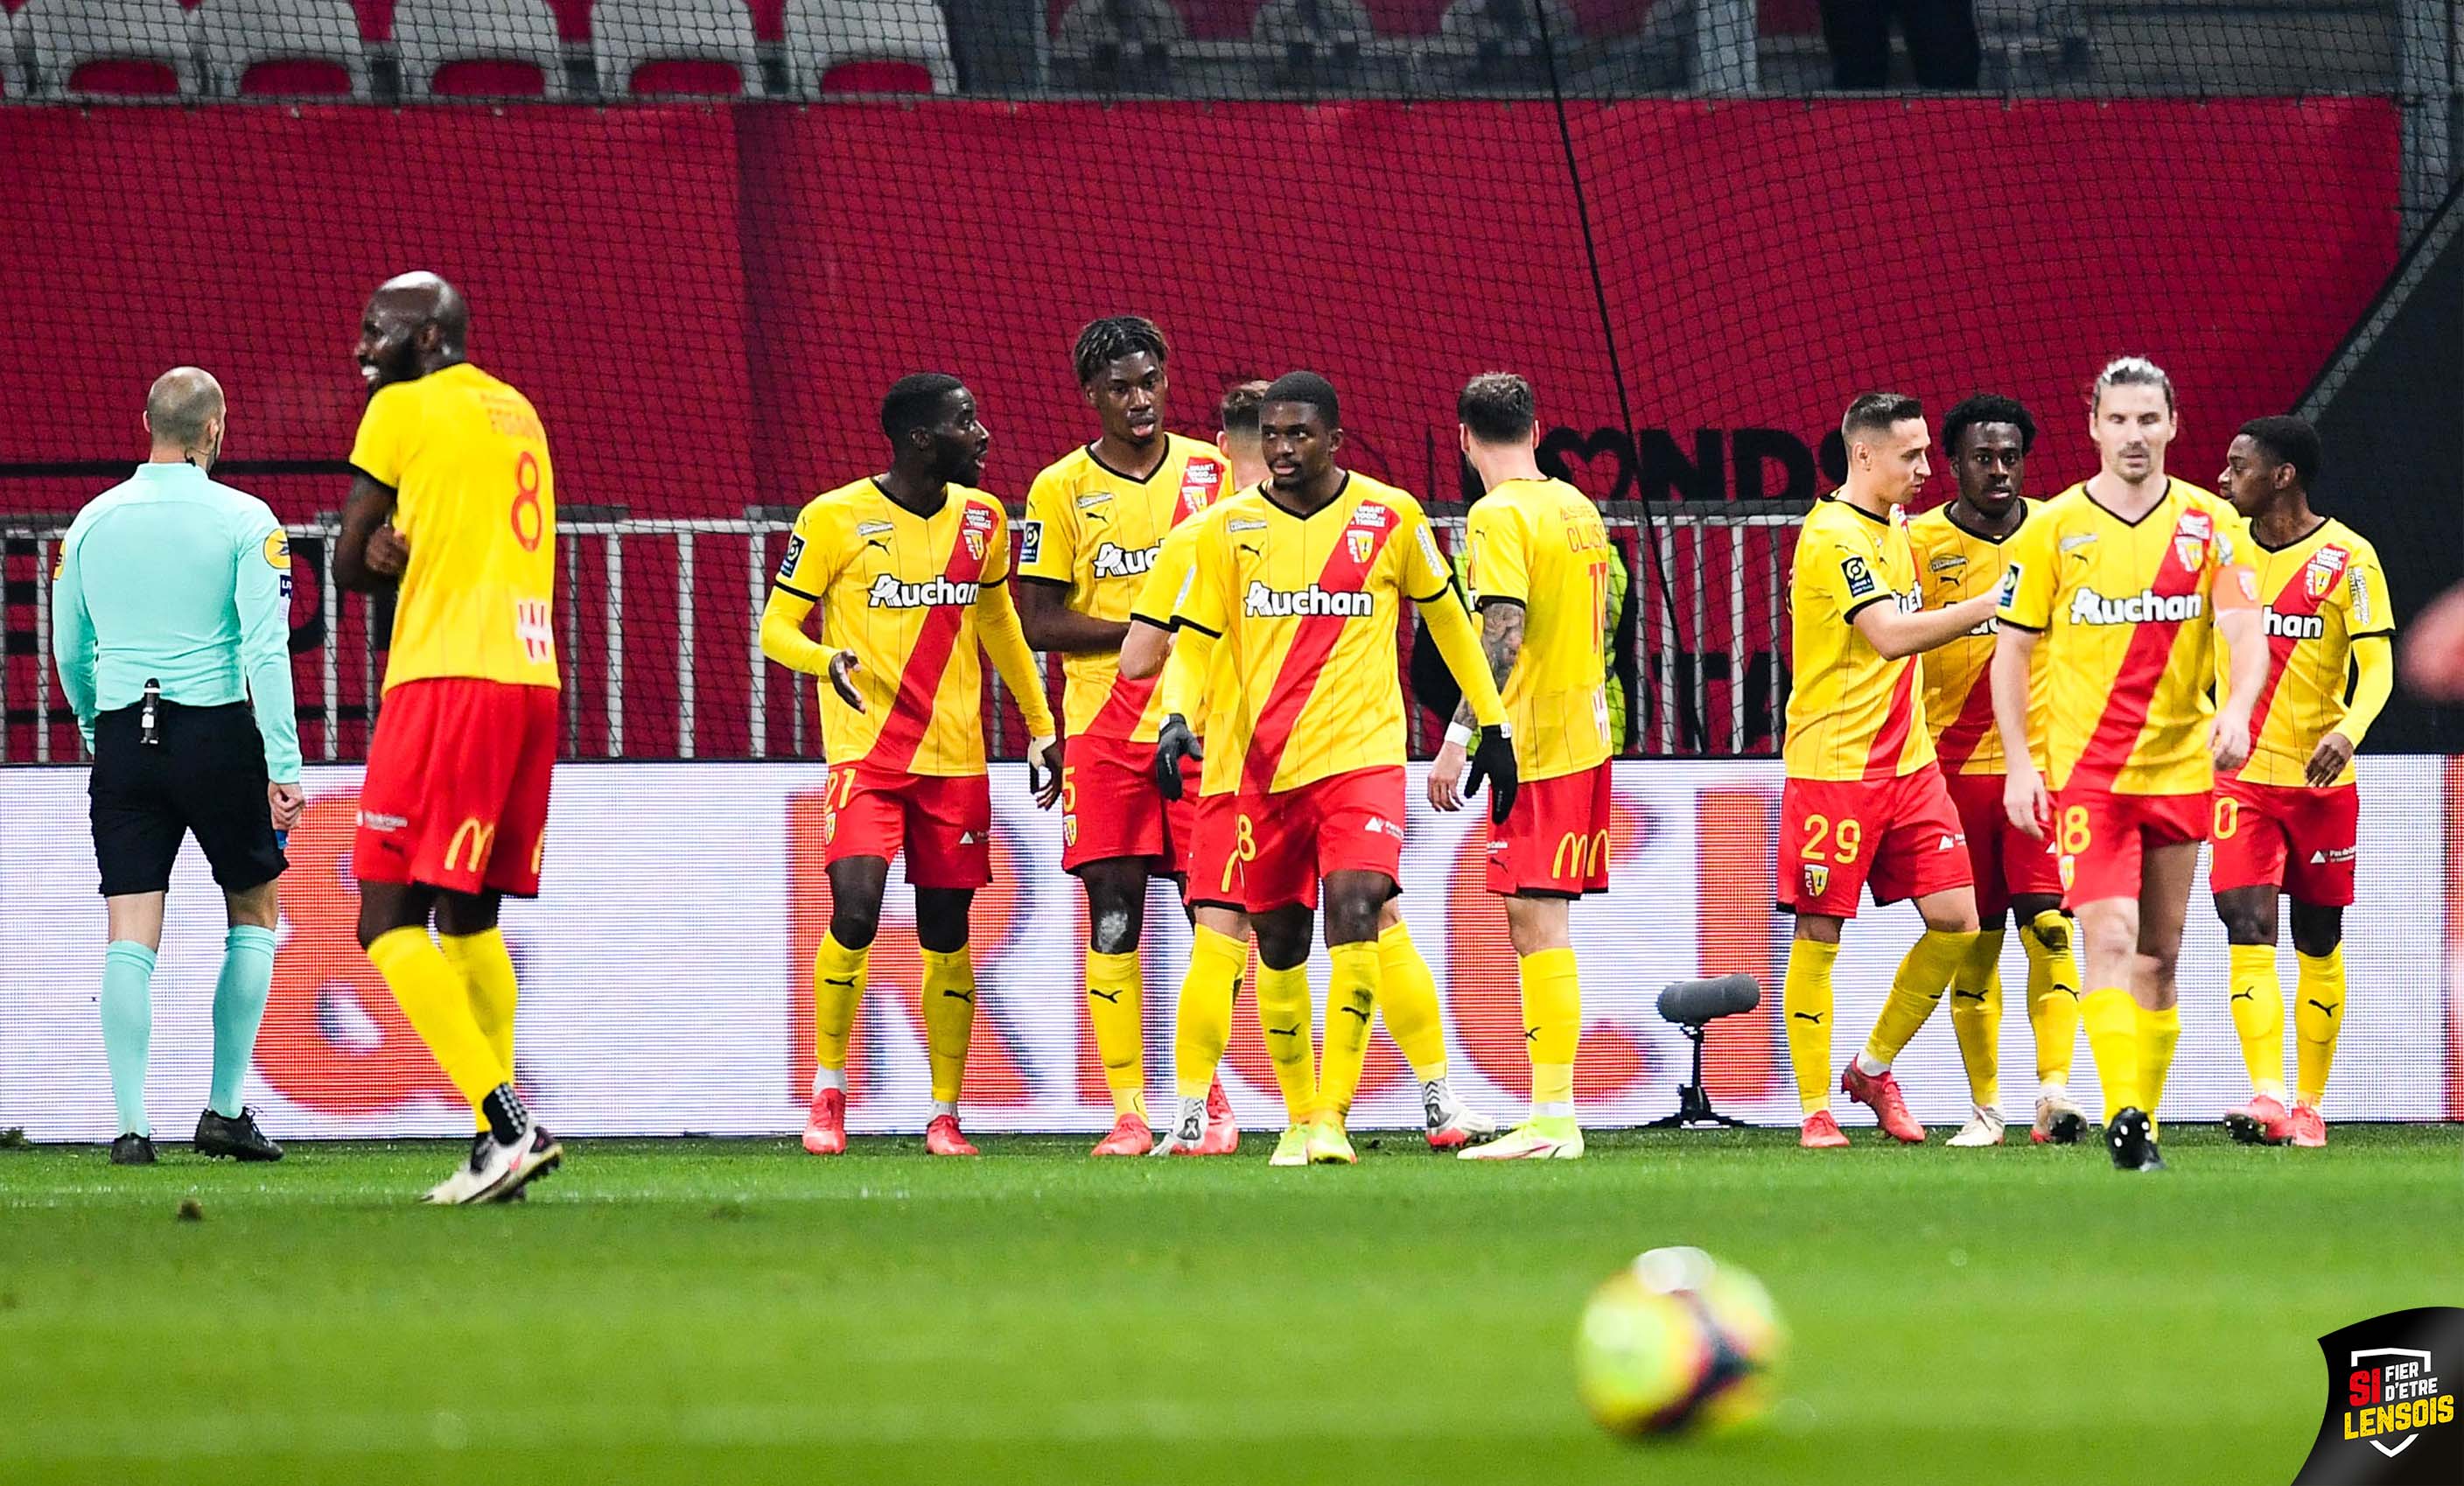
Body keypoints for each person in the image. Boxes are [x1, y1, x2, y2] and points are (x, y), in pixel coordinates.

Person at [1125, 382, 1498, 1160]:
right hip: (1247, 767)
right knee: (1269, 940)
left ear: (1336, 438)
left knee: (1361, 907)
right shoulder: (1218, 532)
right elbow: (1178, 643)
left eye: (1297, 435)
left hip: (1359, 759)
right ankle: (1276, 1115)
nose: (1282, 449)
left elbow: (1453, 622)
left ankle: (1335, 1113)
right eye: (1271, 435)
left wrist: (1486, 721)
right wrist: (1174, 715)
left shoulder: (1390, 516)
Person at [763, 374, 1063, 1159]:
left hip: (955, 762)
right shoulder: (833, 518)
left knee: (946, 934)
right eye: (968, 421)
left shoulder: (984, 519)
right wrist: (824, 658)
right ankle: (829, 1091)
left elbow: (999, 622)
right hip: (868, 757)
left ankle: (944, 1111)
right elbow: (774, 628)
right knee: (856, 913)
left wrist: (1040, 726)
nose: (985, 433)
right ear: (922, 439)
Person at [1992, 357, 2267, 1173]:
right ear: (2094, 428)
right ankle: (2126, 1123)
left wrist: (2238, 708)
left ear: (2174, 425)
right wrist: (2019, 763)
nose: (2134, 435)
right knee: (2105, 937)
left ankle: (2139, 1107)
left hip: (2182, 769)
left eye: (2149, 420)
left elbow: (2247, 634)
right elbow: (2011, 652)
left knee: (2162, 954)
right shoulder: (2053, 528)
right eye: (2119, 420)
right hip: (2089, 774)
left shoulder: (2213, 522)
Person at [334, 271, 564, 1204]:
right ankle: (492, 1146)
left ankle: (509, 1125)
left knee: (384, 918)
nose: (361, 350)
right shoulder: (519, 410)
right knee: (469, 919)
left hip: (445, 680)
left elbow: (350, 561)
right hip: (530, 679)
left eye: (374, 330)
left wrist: (373, 555)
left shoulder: (402, 405)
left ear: (426, 337)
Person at [52, 368, 299, 1167]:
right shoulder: (246, 519)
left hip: (128, 738)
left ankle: (131, 1129)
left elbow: (67, 648)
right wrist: (284, 762)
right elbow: (266, 648)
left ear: (146, 423)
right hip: (219, 737)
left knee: (129, 932)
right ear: (216, 429)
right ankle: (225, 1111)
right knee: (254, 910)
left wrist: (99, 723)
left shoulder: (90, 523)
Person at [1017, 319, 1236, 1156]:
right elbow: (1038, 620)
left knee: (1207, 912)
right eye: (1120, 388)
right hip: (1103, 732)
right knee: (1113, 918)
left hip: (1198, 725)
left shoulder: (1213, 474)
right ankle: (1130, 1112)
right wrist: (1149, 629)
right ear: (1091, 396)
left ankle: (1205, 1099)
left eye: (1150, 382)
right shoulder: (1059, 489)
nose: (1139, 400)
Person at [1780, 393, 1992, 1151]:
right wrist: (1989, 604)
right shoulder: (1832, 535)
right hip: (1835, 767)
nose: (1925, 470)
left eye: (1927, 452)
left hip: (1911, 764)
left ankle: (1872, 1069)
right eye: (1911, 455)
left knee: (1957, 923)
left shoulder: (1894, 528)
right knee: (1820, 932)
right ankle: (1814, 1111)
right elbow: (1890, 637)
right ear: (1863, 455)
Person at [1427, 374, 1611, 1161]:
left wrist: (1458, 738)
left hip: (1535, 746)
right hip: (1585, 735)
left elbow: (1500, 633)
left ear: (1465, 438)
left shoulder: (1496, 515)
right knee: (1540, 921)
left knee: (1536, 923)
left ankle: (1553, 1115)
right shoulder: (1577, 505)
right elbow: (1598, 621)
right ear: (1537, 431)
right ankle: (1553, 1111)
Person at [1904, 395, 2086, 1148]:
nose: (2000, 470)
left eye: (2011, 456)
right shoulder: (1915, 543)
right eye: (1984, 457)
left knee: (2049, 928)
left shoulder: (2058, 534)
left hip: (2039, 770)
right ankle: (1986, 1109)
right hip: (1948, 771)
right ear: (1954, 464)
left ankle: (2055, 1094)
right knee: (1974, 943)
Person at [2210, 417, 2393, 1149]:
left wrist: (2348, 731)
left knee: (2317, 937)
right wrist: (2208, 719)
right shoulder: (2226, 555)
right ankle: (2267, 1095)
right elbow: (2199, 653)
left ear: (2283, 475)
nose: (2225, 480)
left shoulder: (2349, 557)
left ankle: (2311, 1106)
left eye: (2238, 467)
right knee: (2245, 926)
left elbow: (2378, 664)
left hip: (2322, 783)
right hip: (2242, 783)